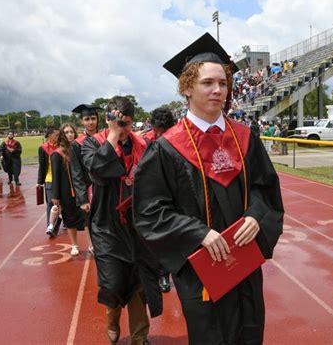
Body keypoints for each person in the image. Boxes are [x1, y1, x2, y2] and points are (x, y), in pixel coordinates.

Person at [133, 33, 284, 344]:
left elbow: (265, 189)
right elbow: (150, 213)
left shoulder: (245, 138)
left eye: (223, 83)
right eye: (207, 83)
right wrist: (198, 232)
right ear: (187, 88)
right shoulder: (166, 149)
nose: (218, 90)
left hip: (244, 265)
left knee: (249, 332)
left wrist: (256, 215)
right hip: (200, 269)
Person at [81, 96, 162, 345]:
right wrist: (113, 136)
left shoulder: (143, 145)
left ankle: (140, 336)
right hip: (106, 224)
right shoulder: (91, 144)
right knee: (113, 282)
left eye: (127, 124)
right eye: (119, 123)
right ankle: (112, 316)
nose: (124, 129)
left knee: (139, 283)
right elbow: (96, 171)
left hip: (136, 223)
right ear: (109, 119)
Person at [138, 107, 176, 294]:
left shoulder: (177, 139)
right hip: (152, 194)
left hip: (173, 194)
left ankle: (164, 273)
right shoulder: (145, 140)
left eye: (164, 131)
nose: (160, 134)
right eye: (157, 130)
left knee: (170, 237)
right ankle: (157, 271)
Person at [70, 104, 102, 253]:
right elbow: (76, 173)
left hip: (105, 185)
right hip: (89, 188)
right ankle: (92, 245)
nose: (90, 122)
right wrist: (82, 199)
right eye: (87, 119)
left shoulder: (105, 138)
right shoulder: (77, 144)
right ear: (82, 121)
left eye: (93, 118)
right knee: (89, 219)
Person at [51, 124, 86, 256]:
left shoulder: (80, 149)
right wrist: (55, 196)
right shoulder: (57, 154)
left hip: (82, 189)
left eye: (72, 132)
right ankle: (74, 245)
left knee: (87, 218)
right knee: (70, 218)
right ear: (62, 135)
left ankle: (91, 244)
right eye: (66, 132)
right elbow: (55, 176)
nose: (70, 134)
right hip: (66, 191)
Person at [37, 126, 59, 235]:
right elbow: (42, 165)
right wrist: (39, 182)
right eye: (56, 135)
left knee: (63, 202)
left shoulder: (61, 147)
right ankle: (50, 225)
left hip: (61, 179)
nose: (58, 137)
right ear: (50, 135)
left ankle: (61, 222)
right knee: (51, 203)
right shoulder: (43, 148)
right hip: (49, 179)